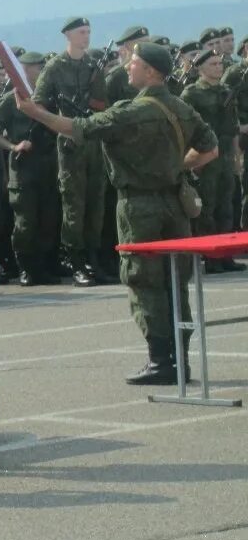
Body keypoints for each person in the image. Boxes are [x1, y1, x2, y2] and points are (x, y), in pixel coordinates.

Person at [18, 42, 219, 385]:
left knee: (143, 281)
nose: (127, 66)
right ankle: (180, 360)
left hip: (139, 206)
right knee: (175, 282)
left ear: (152, 71)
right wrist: (176, 169)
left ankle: (160, 361)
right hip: (175, 205)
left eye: (134, 62)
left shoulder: (130, 112)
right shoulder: (183, 108)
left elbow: (77, 128)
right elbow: (210, 149)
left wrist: (35, 112)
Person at [34, 17, 109, 287]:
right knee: (74, 206)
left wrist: (93, 105)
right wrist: (60, 124)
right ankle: (75, 261)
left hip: (93, 141)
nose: (86, 36)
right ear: (68, 35)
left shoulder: (94, 65)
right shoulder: (55, 67)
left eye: (89, 32)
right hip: (69, 145)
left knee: (96, 204)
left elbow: (104, 104)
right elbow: (38, 104)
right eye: (81, 32)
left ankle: (93, 259)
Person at [0, 52, 60, 284]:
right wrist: (13, 146)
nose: (42, 73)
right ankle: (26, 267)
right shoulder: (12, 99)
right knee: (25, 223)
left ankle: (43, 267)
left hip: (48, 165)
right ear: (25, 71)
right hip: (24, 169)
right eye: (38, 69)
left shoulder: (49, 98)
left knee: (49, 219)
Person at [181, 49, 243, 272]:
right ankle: (211, 257)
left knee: (226, 206)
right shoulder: (191, 94)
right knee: (206, 208)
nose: (219, 67)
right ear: (201, 68)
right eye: (214, 64)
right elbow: (186, 129)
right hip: (205, 157)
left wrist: (236, 157)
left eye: (220, 64)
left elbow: (234, 128)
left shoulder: (227, 91)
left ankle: (225, 255)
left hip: (225, 155)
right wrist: (191, 161)